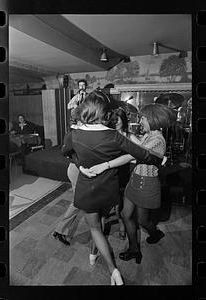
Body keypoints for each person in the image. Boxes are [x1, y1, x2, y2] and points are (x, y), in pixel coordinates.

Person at [62, 91, 164, 285]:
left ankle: (112, 269)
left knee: (95, 227)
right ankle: (95, 254)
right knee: (101, 221)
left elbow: (65, 152)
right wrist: (158, 158)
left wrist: (81, 165)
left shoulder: (74, 134)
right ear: (106, 114)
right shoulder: (114, 136)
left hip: (87, 189)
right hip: (108, 190)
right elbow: (145, 156)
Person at [82, 103, 174, 265]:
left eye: (143, 118)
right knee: (125, 214)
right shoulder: (147, 135)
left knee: (142, 221)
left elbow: (133, 155)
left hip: (147, 184)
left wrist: (106, 165)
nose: (140, 122)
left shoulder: (158, 139)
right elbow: (135, 144)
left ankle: (155, 233)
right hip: (135, 180)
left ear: (152, 119)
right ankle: (134, 249)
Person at [53, 79, 88, 246]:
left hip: (77, 168)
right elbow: (65, 152)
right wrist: (79, 161)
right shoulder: (73, 133)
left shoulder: (83, 131)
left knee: (78, 201)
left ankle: (61, 230)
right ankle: (60, 230)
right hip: (75, 169)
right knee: (77, 202)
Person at [109, 108, 136, 240]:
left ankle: (124, 224)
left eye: (118, 119)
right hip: (112, 173)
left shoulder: (130, 136)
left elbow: (141, 151)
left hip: (126, 173)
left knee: (125, 202)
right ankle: (121, 222)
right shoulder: (109, 135)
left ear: (123, 120)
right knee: (116, 202)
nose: (116, 122)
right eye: (113, 120)